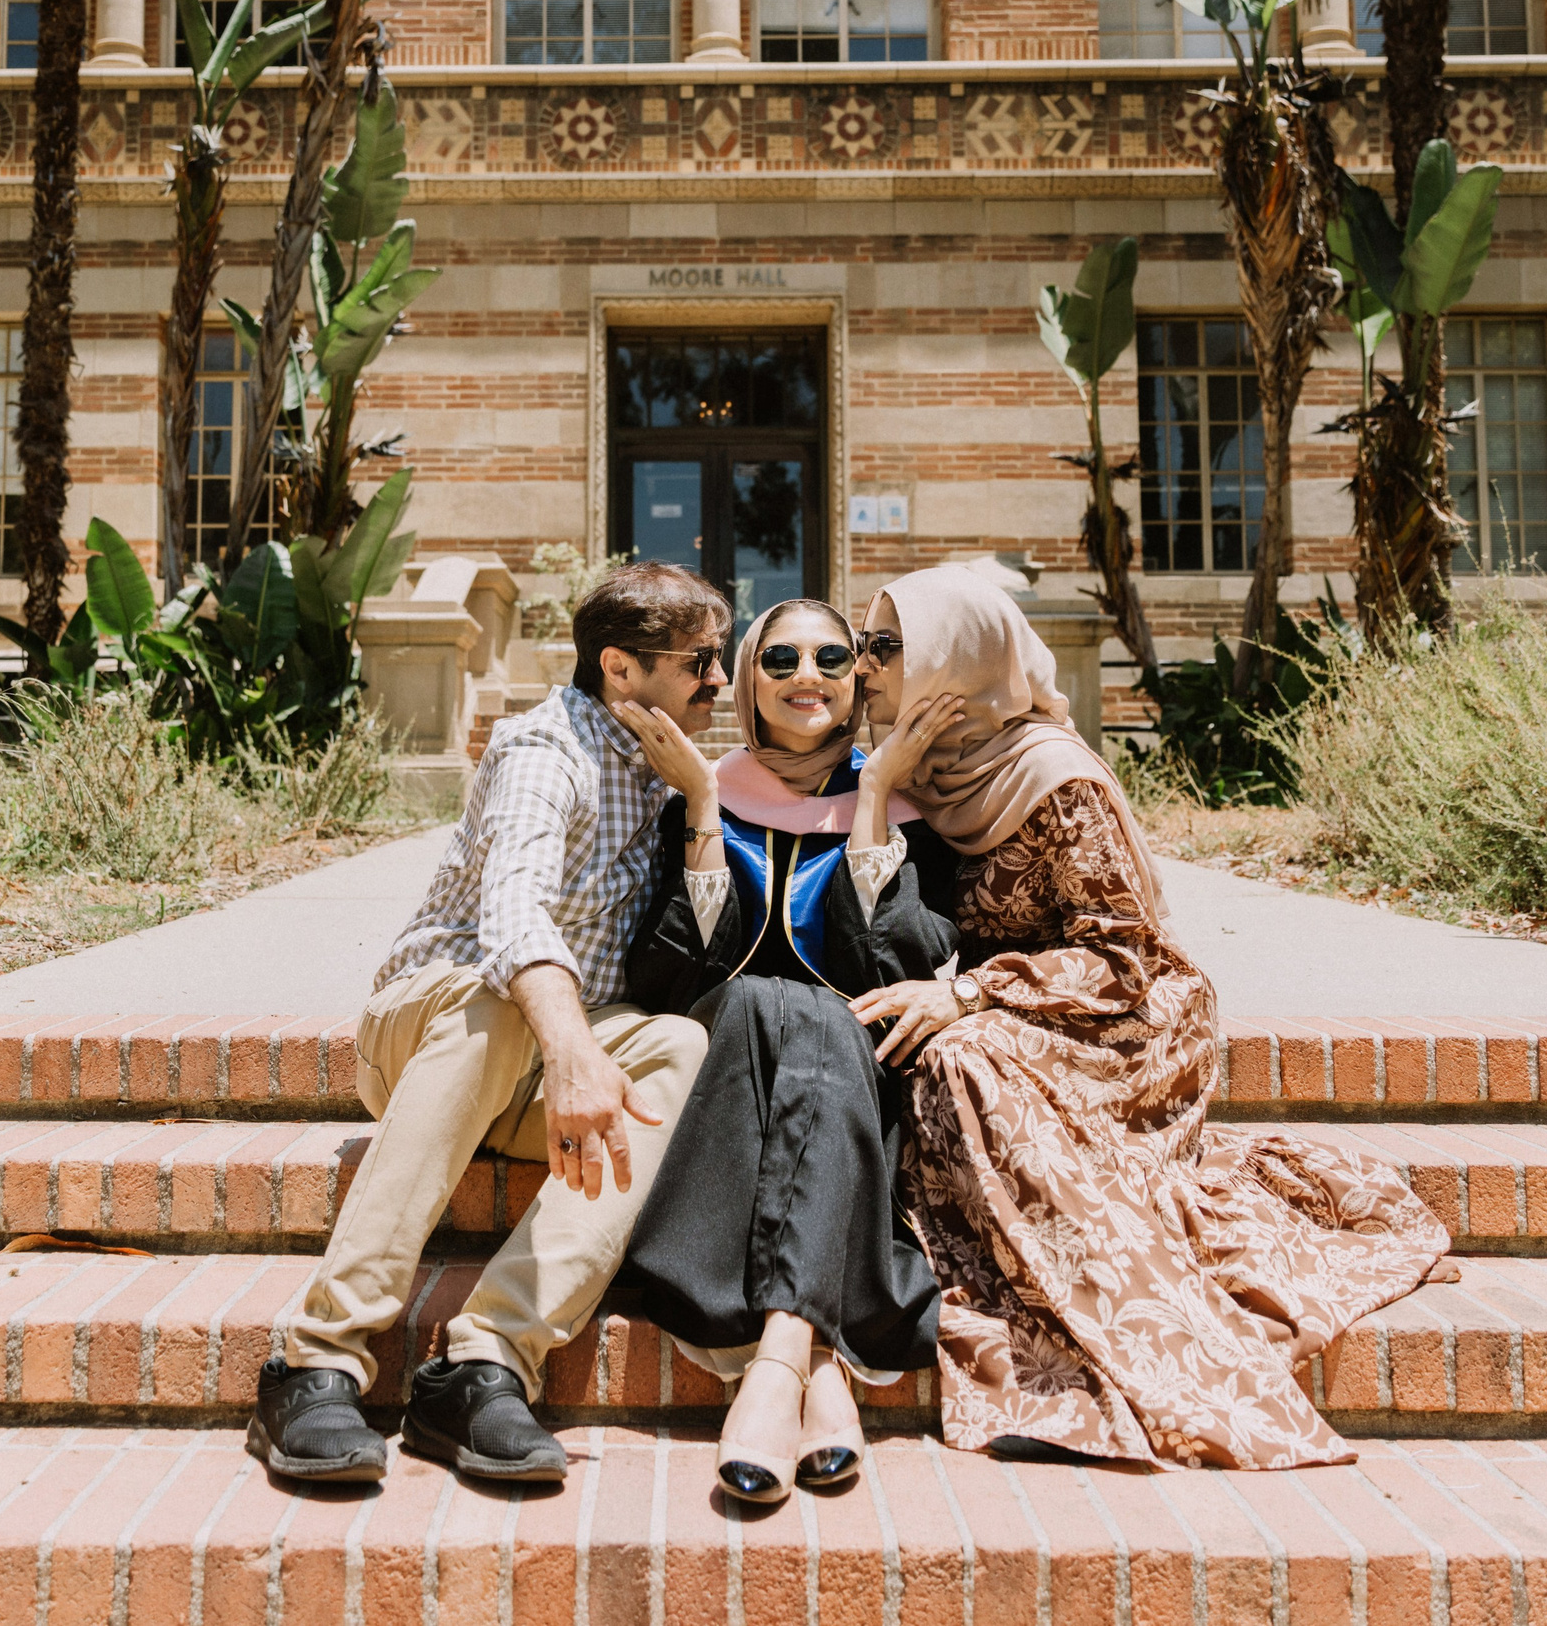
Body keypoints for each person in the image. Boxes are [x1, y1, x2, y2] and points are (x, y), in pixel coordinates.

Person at [848, 568, 1454, 1471]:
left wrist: (973, 993)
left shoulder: (1052, 776)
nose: (860, 668)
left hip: (1122, 1015)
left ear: (953, 660)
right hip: (1015, 1008)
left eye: (884, 648)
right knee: (935, 1056)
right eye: (862, 644)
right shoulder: (915, 775)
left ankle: (1098, 1325)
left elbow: (1128, 953)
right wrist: (881, 794)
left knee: (963, 1057)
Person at [246, 561, 733, 1485]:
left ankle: (483, 1364)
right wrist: (574, 1048)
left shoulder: (669, 769)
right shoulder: (542, 753)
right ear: (621, 671)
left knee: (678, 1043)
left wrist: (701, 798)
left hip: (535, 1071)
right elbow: (514, 920)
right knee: (511, 994)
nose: (720, 678)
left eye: (722, 655)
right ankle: (316, 1357)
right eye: (701, 660)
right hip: (431, 1031)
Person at [612, 599, 964, 1504]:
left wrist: (876, 797)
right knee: (786, 1006)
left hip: (853, 1087)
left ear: (855, 680)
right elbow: (662, 977)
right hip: (732, 1075)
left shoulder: (900, 804)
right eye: (781, 658)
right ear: (751, 681)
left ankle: (776, 1366)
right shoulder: (700, 789)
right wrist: (698, 804)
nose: (807, 674)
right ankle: (819, 1368)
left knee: (816, 1016)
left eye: (831, 657)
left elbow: (897, 963)